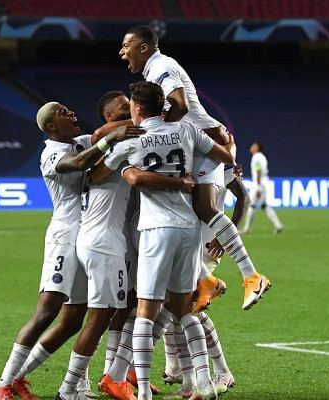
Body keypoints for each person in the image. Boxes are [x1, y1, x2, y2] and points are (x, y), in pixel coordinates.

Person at [0, 102, 142, 400]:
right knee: (46, 312)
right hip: (63, 236)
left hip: (84, 237)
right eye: (62, 112)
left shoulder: (80, 141)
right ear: (51, 127)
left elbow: (101, 132)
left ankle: (21, 379)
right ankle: (3, 384)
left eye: (70, 110)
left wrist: (140, 119)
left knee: (73, 320)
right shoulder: (51, 153)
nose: (71, 113)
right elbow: (78, 162)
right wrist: (110, 139)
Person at [119, 25, 270, 312]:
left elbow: (180, 105)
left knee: (202, 208)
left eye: (126, 46)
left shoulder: (161, 66)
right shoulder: (153, 71)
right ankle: (205, 280)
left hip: (205, 141)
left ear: (143, 47)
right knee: (185, 216)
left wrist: (157, 131)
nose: (121, 52)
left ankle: (250, 276)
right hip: (199, 142)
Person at [56, 90, 193, 400]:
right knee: (104, 315)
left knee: (125, 305)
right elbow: (100, 154)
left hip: (120, 238)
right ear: (109, 118)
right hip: (107, 240)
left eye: (130, 109)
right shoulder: (115, 143)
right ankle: (73, 387)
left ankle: (115, 374)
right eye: (122, 112)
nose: (129, 116)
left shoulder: (127, 142)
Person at [101, 81, 234, 400]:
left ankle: (143, 392)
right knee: (185, 309)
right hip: (189, 228)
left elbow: (106, 171)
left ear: (137, 108)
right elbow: (225, 155)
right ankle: (204, 383)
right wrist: (229, 143)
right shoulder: (186, 130)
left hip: (156, 229)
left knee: (145, 312)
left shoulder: (133, 139)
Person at [242, 141, 283, 234]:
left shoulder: (256, 157)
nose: (251, 147)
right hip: (264, 182)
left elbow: (258, 170)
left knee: (251, 205)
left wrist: (258, 187)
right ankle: (278, 225)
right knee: (264, 206)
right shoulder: (262, 157)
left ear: (257, 148)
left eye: (253, 146)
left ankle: (247, 229)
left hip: (259, 183)